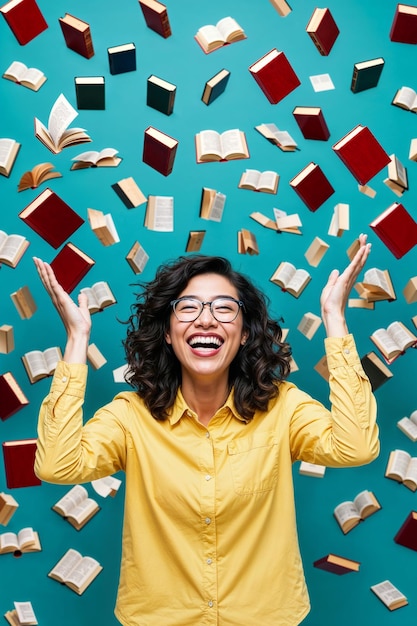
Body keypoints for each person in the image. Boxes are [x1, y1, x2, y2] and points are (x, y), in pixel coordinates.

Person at [33, 233, 379, 626]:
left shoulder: (284, 408)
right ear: (167, 331)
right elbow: (56, 466)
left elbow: (356, 447)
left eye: (224, 308)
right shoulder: (130, 416)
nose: (206, 318)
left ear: (245, 332)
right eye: (188, 307)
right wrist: (77, 339)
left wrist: (335, 317)